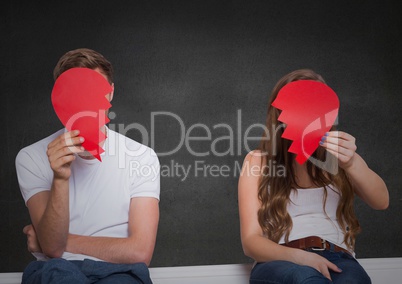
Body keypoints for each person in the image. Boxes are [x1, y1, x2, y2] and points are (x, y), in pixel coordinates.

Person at [15, 48, 160, 284]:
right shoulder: (31, 157)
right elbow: (53, 251)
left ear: (111, 93)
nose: (86, 102)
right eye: (76, 93)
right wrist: (60, 176)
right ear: (60, 97)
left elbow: (140, 252)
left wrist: (61, 240)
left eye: (95, 91)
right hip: (56, 269)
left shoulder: (141, 156)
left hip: (119, 272)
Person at [238, 69, 389, 284]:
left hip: (339, 257)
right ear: (280, 115)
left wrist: (352, 163)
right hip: (282, 258)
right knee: (306, 278)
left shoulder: (341, 158)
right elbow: (251, 241)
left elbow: (381, 201)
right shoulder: (257, 161)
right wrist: (301, 257)